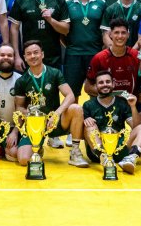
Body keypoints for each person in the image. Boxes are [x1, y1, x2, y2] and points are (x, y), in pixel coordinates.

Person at [12, 40, 89, 168]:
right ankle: (37, 148)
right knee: (24, 160)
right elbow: (19, 107)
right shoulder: (22, 81)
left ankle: (75, 152)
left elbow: (70, 95)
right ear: (25, 58)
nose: (33, 56)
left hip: (54, 122)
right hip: (35, 125)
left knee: (76, 108)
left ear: (42, 54)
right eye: (29, 54)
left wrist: (57, 113)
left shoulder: (54, 73)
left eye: (36, 52)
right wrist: (30, 114)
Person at [85, 18, 141, 126]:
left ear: (128, 35)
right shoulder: (99, 58)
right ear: (110, 34)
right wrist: (114, 94)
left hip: (131, 103)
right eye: (116, 32)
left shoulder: (136, 55)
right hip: (108, 103)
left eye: (123, 33)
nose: (120, 36)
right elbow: (87, 88)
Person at [82, 70, 141, 175]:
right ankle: (104, 158)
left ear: (113, 83)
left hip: (120, 149)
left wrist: (133, 106)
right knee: (89, 125)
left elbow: (136, 126)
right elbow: (85, 133)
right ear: (95, 86)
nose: (105, 85)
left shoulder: (122, 103)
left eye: (107, 82)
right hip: (97, 153)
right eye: (101, 82)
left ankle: (131, 159)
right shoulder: (88, 105)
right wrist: (85, 120)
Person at [8, 0, 70, 71]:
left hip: (53, 57)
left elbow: (65, 29)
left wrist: (51, 20)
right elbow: (14, 29)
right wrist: (17, 56)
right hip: (29, 56)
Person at [63, 0, 107, 100]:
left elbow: (106, 31)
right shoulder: (66, 4)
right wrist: (71, 46)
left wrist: (102, 50)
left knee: (96, 90)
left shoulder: (101, 3)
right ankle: (74, 120)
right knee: (72, 94)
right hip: (73, 56)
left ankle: (94, 119)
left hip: (95, 54)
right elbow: (62, 33)